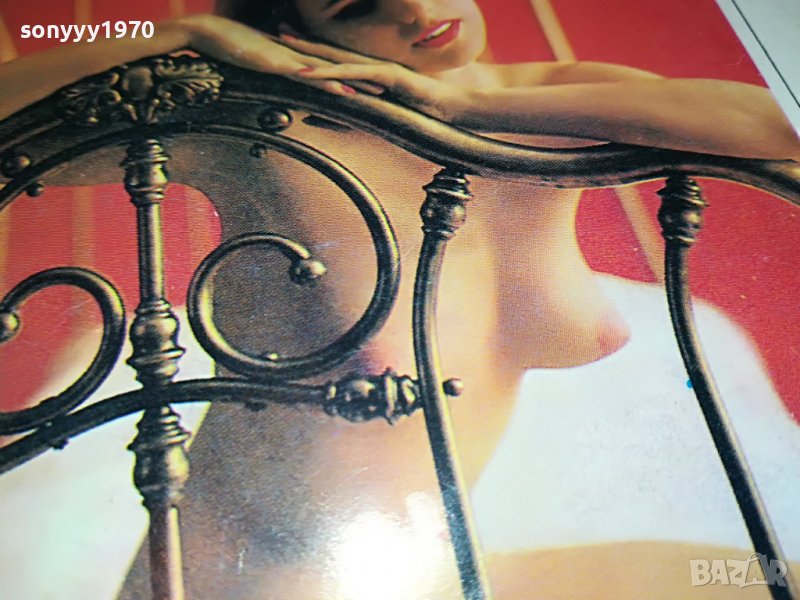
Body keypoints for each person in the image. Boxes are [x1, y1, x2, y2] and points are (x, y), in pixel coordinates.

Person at [0, 1, 799, 598]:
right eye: (356, 5)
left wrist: (460, 110)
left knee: (770, 578)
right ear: (289, 26)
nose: (415, 10)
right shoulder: (263, 128)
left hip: (432, 573)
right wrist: (187, 33)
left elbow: (781, 127)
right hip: (248, 582)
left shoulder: (561, 102)